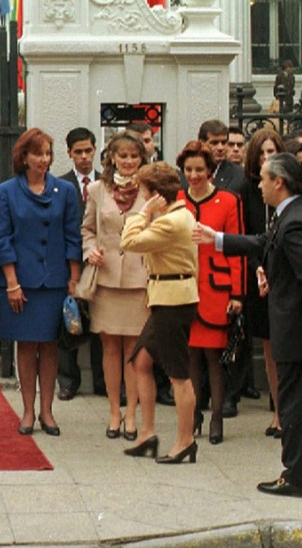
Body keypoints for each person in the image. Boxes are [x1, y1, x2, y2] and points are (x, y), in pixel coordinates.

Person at [195, 152, 302, 497]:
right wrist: (217, 239)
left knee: (296, 406)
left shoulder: (295, 220)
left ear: (279, 182)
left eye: (262, 178)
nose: (257, 185)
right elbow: (267, 246)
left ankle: (296, 477)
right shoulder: (291, 214)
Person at [0, 128, 81, 437]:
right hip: (21, 282)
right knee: (26, 346)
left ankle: (48, 411)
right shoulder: (6, 191)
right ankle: (28, 411)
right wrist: (12, 282)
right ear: (24, 156)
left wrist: (74, 279)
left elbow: (73, 236)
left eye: (47, 154)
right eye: (37, 154)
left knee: (51, 345)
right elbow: (2, 240)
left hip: (56, 282)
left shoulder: (65, 191)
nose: (43, 160)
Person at [121, 161, 199, 464]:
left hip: (173, 301)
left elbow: (129, 242)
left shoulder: (172, 221)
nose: (141, 196)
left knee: (179, 374)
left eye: (143, 191)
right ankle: (147, 433)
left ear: (155, 194)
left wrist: (142, 214)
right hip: (165, 296)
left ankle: (185, 441)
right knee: (140, 361)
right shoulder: (173, 215)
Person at [81, 131, 149, 440]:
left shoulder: (151, 191)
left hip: (139, 279)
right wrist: (89, 250)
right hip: (107, 277)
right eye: (123, 156)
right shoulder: (97, 190)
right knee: (109, 346)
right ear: (111, 158)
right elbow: (88, 229)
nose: (129, 162)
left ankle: (132, 413)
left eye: (134, 156)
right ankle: (113, 411)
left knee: (134, 350)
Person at [177, 141, 244, 445]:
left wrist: (238, 294)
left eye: (199, 169)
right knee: (189, 354)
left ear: (210, 170)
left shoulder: (229, 201)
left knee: (214, 357)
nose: (194, 175)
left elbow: (237, 248)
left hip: (217, 289)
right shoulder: (178, 200)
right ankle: (193, 415)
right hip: (184, 288)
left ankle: (217, 415)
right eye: (189, 169)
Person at [241, 129, 286, 437]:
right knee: (269, 348)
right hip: (259, 275)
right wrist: (258, 269)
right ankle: (278, 412)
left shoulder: (294, 189)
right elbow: (247, 237)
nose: (267, 158)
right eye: (262, 153)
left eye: (272, 152)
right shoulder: (246, 190)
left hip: (285, 276)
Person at [57, 127, 105, 399]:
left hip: (99, 263)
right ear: (69, 153)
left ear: (95, 150)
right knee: (68, 321)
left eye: (88, 151)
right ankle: (67, 380)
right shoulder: (61, 185)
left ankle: (102, 380)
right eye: (78, 152)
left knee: (101, 323)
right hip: (69, 264)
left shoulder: (106, 183)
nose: (84, 157)